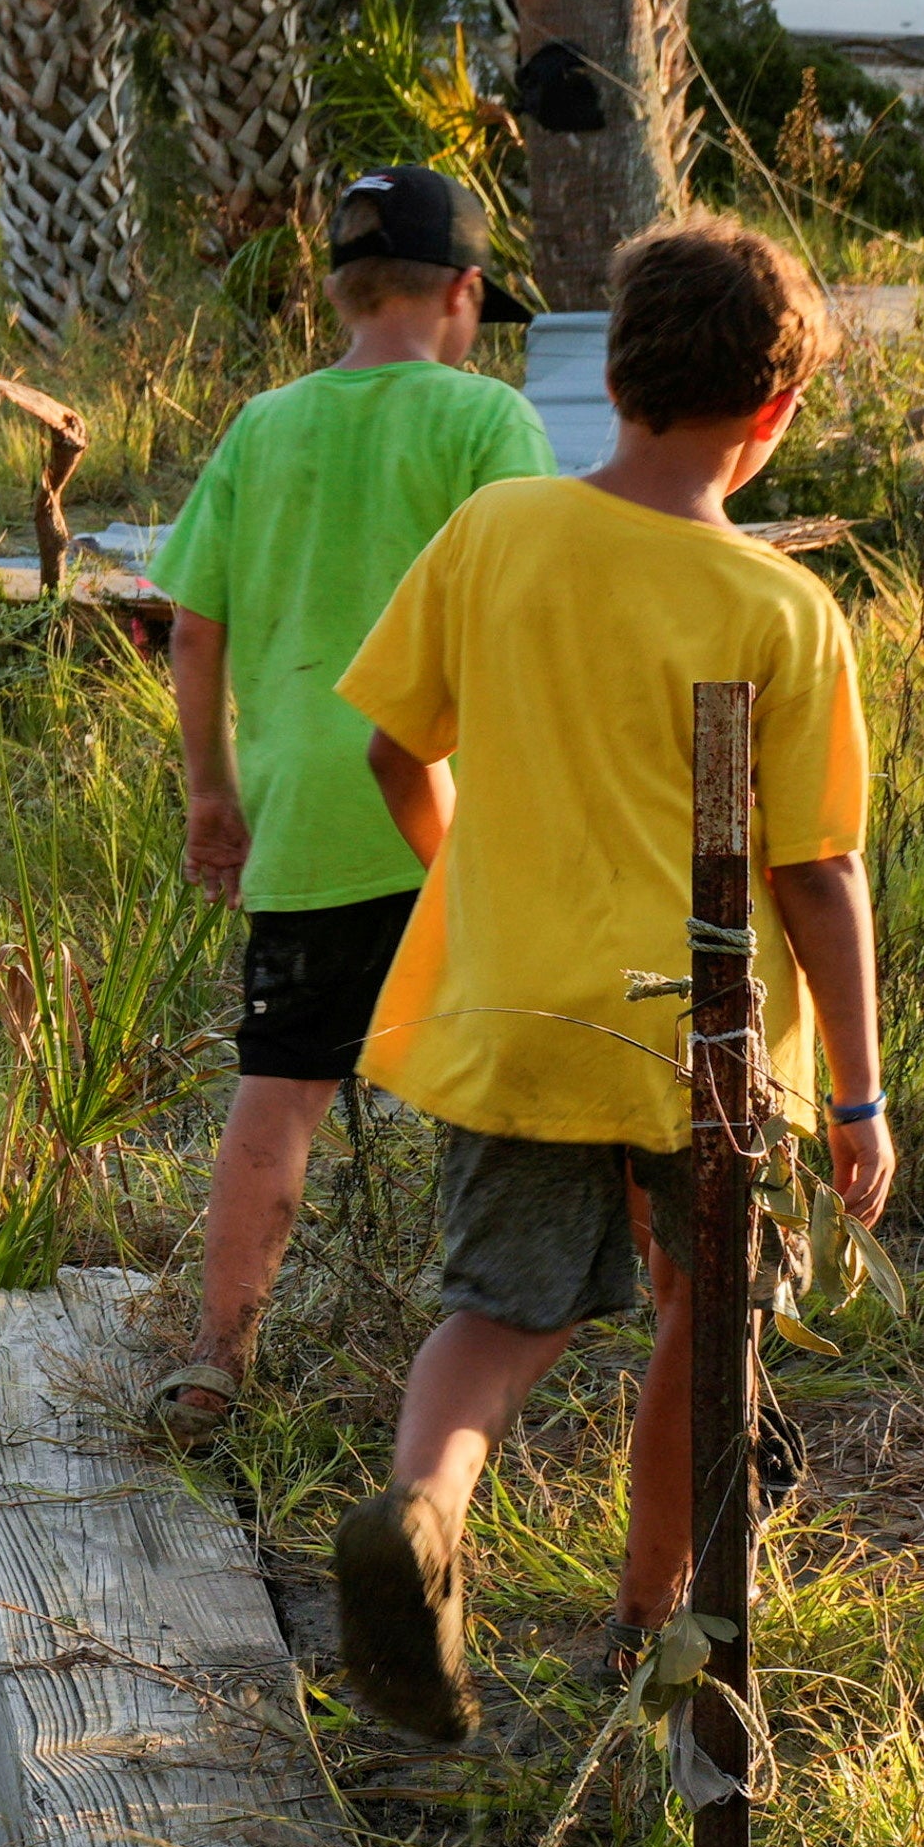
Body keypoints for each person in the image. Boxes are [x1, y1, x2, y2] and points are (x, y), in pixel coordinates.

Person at [325, 218, 893, 1742]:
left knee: (499, 1311)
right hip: (701, 1042)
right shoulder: (784, 610)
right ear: (771, 416)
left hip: (518, 1008)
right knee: (706, 1319)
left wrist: (470, 872)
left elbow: (395, 747)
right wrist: (857, 1087)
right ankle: (654, 1618)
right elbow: (815, 871)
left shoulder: (498, 529)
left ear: (615, 375)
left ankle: (427, 1513)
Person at [138, 168, 557, 1440]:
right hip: (449, 816)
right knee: (499, 1086)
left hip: (304, 816)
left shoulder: (263, 425)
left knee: (278, 1090)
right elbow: (530, 624)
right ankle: (483, 1347)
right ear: (465, 293)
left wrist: (212, 790)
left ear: (336, 288)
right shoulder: (487, 423)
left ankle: (217, 1357)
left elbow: (191, 624)